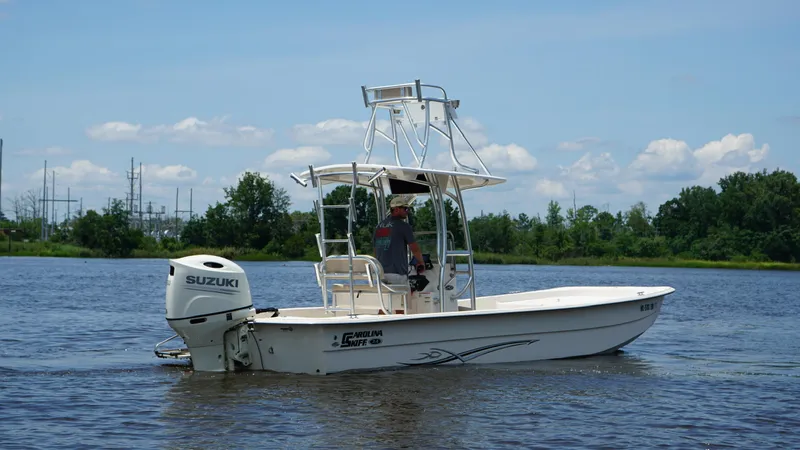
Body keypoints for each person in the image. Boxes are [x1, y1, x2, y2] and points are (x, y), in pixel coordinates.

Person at [373, 195, 425, 285]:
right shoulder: (403, 226)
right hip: (397, 274)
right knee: (403, 298)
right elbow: (414, 248)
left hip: (380, 274)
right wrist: (421, 262)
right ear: (396, 209)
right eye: (405, 209)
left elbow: (375, 249)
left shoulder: (379, 226)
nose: (407, 212)